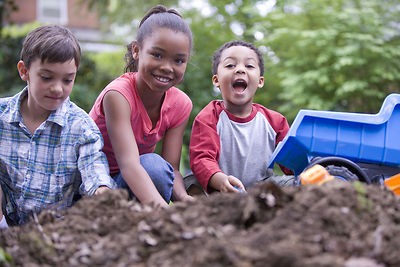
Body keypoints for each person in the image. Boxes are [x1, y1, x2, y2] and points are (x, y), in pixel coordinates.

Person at [0, 25, 116, 228]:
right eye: (46, 77)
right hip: (6, 223)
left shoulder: (81, 127)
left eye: (67, 80)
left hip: (58, 231)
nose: (57, 88)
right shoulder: (2, 115)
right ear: (24, 71)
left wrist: (102, 191)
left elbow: (94, 169)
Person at [89, 5, 194, 208]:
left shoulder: (181, 104)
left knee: (156, 167)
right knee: (151, 167)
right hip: (95, 186)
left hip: (132, 183)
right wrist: (167, 214)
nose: (167, 67)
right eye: (157, 55)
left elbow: (171, 167)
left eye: (179, 60)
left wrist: (185, 200)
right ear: (137, 51)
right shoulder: (118, 96)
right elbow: (129, 165)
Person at [188, 40, 295, 195]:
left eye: (249, 66)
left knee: (296, 183)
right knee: (190, 183)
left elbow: (291, 163)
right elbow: (202, 159)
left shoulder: (275, 121)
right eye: (230, 65)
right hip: (219, 189)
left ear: (260, 81)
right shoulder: (208, 117)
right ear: (216, 80)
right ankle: (209, 214)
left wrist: (311, 170)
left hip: (262, 190)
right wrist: (220, 181)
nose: (239, 69)